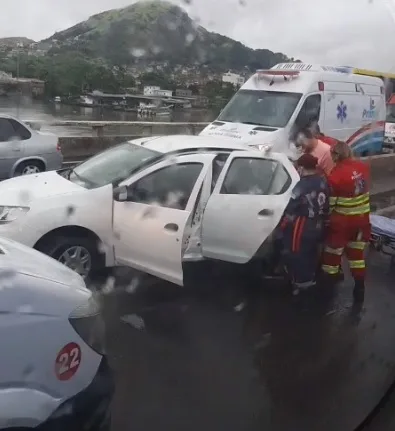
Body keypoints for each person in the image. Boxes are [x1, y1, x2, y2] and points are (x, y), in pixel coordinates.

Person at [321, 141, 371, 303]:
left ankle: (327, 293)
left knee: (332, 257)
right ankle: (360, 289)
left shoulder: (335, 176)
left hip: (342, 225)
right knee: (357, 256)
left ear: (337, 155)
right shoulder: (362, 168)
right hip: (362, 222)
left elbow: (330, 205)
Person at [280, 153, 330, 293]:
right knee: (312, 251)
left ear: (301, 167)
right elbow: (327, 205)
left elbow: (291, 208)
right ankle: (310, 278)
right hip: (318, 224)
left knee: (298, 252)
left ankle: (301, 284)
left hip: (302, 225)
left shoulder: (301, 185)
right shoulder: (322, 182)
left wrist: (282, 227)